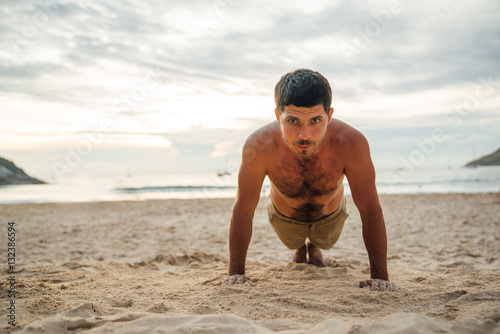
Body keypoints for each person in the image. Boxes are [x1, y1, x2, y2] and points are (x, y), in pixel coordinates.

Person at [221, 68, 397, 292]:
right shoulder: (259, 145)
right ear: (278, 116)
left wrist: (380, 276)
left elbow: (370, 208)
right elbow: (244, 208)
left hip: (330, 218)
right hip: (284, 218)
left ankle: (313, 244)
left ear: (329, 115)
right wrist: (236, 272)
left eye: (315, 120)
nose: (305, 134)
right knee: (293, 241)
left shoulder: (352, 143)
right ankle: (300, 247)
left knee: (324, 241)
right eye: (292, 120)